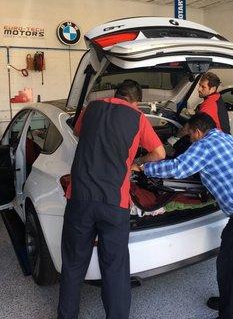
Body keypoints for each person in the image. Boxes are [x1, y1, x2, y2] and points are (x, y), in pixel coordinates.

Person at [132, 112, 233, 319]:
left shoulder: (204, 145)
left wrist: (143, 167)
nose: (190, 141)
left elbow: (179, 167)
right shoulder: (225, 137)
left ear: (198, 132)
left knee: (231, 264)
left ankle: (230, 314)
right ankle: (231, 301)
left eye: (190, 136)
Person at [57, 80, 165, 319]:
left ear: (116, 94)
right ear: (136, 102)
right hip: (114, 203)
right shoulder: (137, 117)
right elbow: (160, 153)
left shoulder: (92, 108)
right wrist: (136, 163)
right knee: (115, 269)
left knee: (73, 266)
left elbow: (77, 132)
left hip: (80, 199)